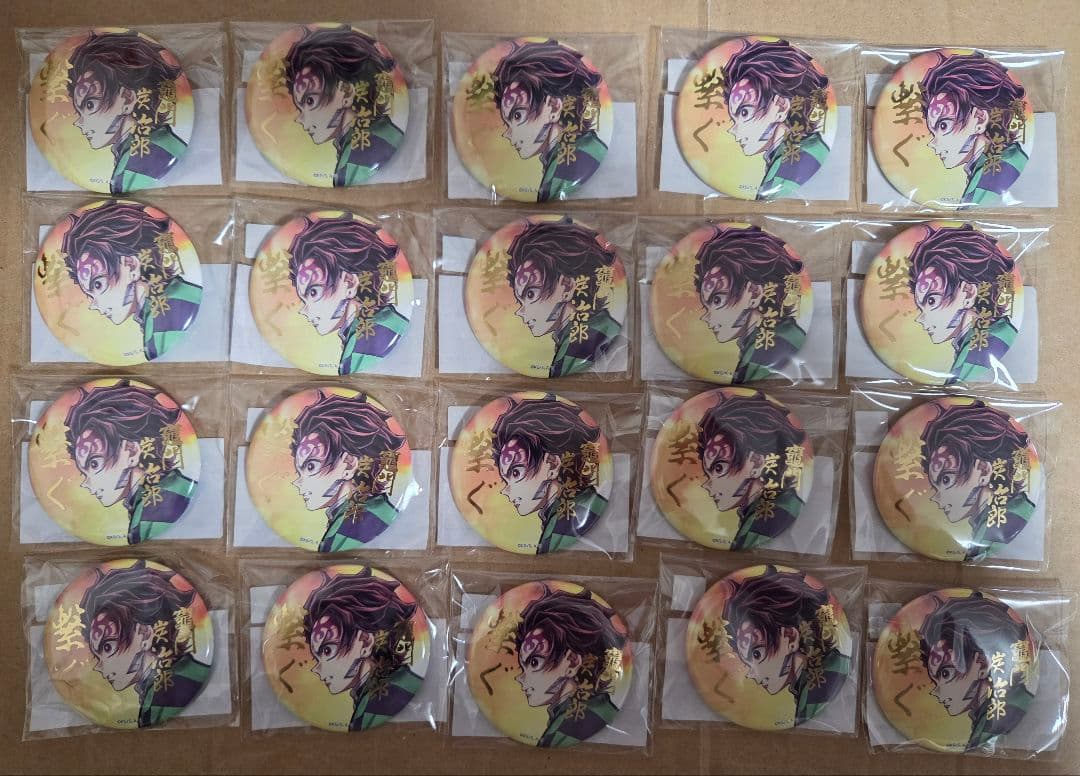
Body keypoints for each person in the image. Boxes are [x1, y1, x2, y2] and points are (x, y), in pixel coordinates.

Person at [61, 200, 202, 361]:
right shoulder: (163, 308)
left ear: (131, 265)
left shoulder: (166, 319)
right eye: (90, 295)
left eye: (98, 284)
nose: (94, 305)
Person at [79, 560, 210, 728]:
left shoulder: (170, 692)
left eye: (107, 647)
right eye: (98, 655)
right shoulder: (164, 686)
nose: (98, 666)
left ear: (145, 634)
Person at [64, 380, 196, 544]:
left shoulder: (155, 512)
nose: (86, 483)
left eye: (94, 463)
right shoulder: (161, 495)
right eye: (84, 473)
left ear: (132, 451)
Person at [722, 565, 849, 725]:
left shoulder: (824, 682)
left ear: (790, 637)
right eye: (747, 663)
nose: (750, 674)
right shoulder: (811, 683)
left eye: (756, 654)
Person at [66, 31, 188, 193]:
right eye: (79, 110)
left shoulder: (137, 166)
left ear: (128, 99)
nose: (78, 122)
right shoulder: (160, 143)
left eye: (90, 105)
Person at [287, 213, 408, 375]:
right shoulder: (374, 328)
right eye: (304, 299)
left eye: (313, 292)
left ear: (350, 283)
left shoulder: (369, 341)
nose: (304, 311)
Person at [284, 24, 404, 186]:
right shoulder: (381, 132)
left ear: (346, 93)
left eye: (310, 100)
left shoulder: (358, 159)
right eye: (300, 107)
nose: (299, 119)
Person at [303, 568, 422, 730]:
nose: (316, 669)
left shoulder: (382, 702)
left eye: (327, 650)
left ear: (365, 643)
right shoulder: (381, 693)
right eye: (317, 657)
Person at [492, 39, 608, 202]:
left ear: (553, 107)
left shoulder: (567, 167)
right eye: (507, 123)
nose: (507, 134)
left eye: (517, 115)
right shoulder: (584, 148)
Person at [291, 391, 407, 552]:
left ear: (349, 464)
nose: (297, 483)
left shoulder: (354, 527)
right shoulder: (369, 513)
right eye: (299, 471)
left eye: (311, 466)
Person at [918, 591, 1034, 750]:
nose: (935, 692)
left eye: (946, 673)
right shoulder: (994, 713)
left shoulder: (1005, 715)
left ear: (982, 663)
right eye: (935, 680)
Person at [505, 217, 622, 376]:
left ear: (566, 286)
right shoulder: (596, 329)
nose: (520, 311)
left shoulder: (581, 346)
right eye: (520, 300)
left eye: (530, 293)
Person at [921, 400, 1035, 561]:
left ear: (983, 470)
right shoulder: (1002, 517)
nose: (935, 498)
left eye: (946, 479)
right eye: (935, 486)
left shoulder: (1002, 525)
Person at [491, 395, 607, 553]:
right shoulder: (566, 514)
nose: (505, 490)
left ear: (552, 464)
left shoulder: (568, 522)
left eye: (516, 472)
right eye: (506, 479)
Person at [513, 585, 626, 746]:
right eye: (523, 667)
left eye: (534, 662)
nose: (520, 678)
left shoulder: (568, 729)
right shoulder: (594, 710)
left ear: (572, 662)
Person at [693, 224, 807, 382]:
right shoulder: (777, 337)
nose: (705, 317)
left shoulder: (769, 350)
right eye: (707, 306)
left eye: (717, 299)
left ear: (754, 293)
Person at [907, 224, 1018, 384]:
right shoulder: (982, 342)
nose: (920, 319)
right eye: (921, 307)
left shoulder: (981, 351)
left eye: (931, 300)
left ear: (968, 293)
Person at [721, 39, 831, 199]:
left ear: (780, 106)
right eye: (734, 119)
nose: (732, 130)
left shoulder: (790, 169)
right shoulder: (807, 149)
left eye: (744, 112)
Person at [697, 391, 808, 549]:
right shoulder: (766, 512)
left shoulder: (768, 520)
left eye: (719, 467)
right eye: (708, 474)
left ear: (756, 463)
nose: (706, 485)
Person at [920, 52, 1029, 206]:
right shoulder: (996, 165)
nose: (932, 143)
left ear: (979, 119)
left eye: (943, 125)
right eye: (933, 132)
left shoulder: (996, 174)